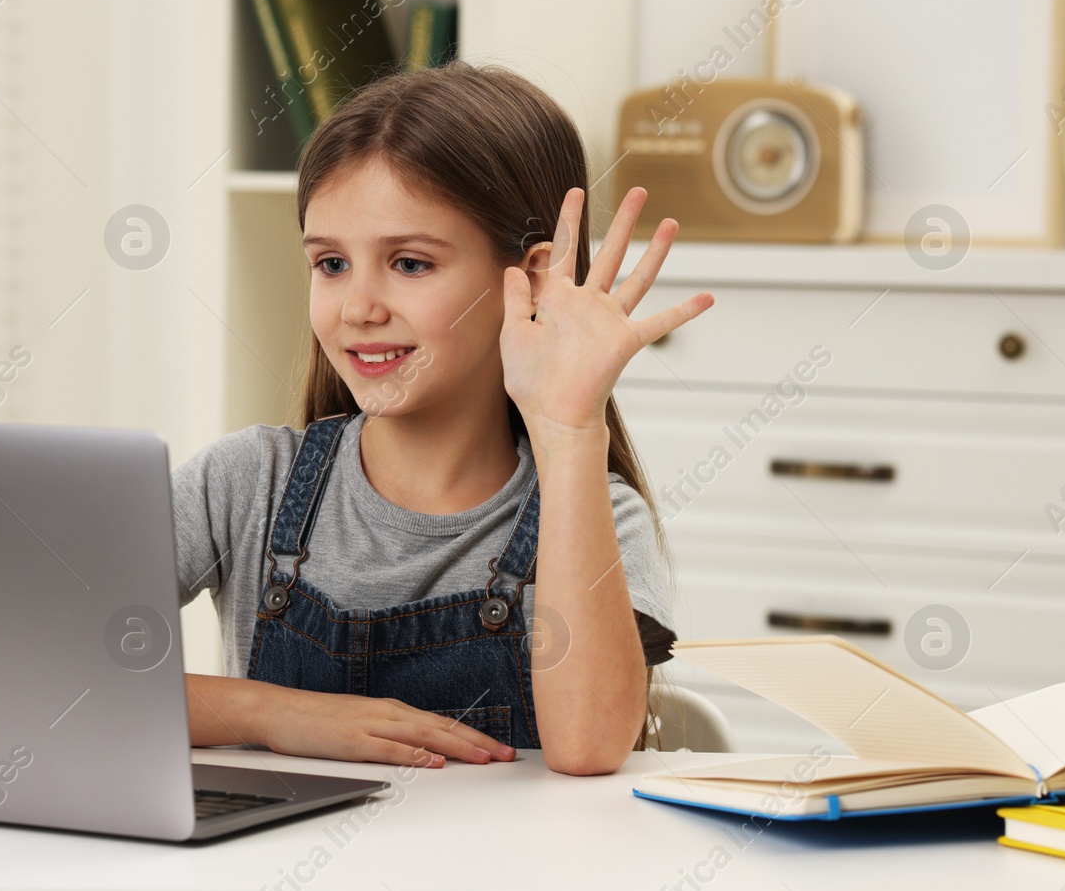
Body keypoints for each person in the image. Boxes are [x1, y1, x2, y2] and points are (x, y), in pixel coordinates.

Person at [173, 62, 713, 775]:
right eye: (331, 264)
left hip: (493, 885)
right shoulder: (245, 484)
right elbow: (36, 669)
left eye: (410, 263)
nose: (359, 307)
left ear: (531, 278)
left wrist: (571, 428)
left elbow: (588, 746)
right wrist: (270, 711)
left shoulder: (595, 515)